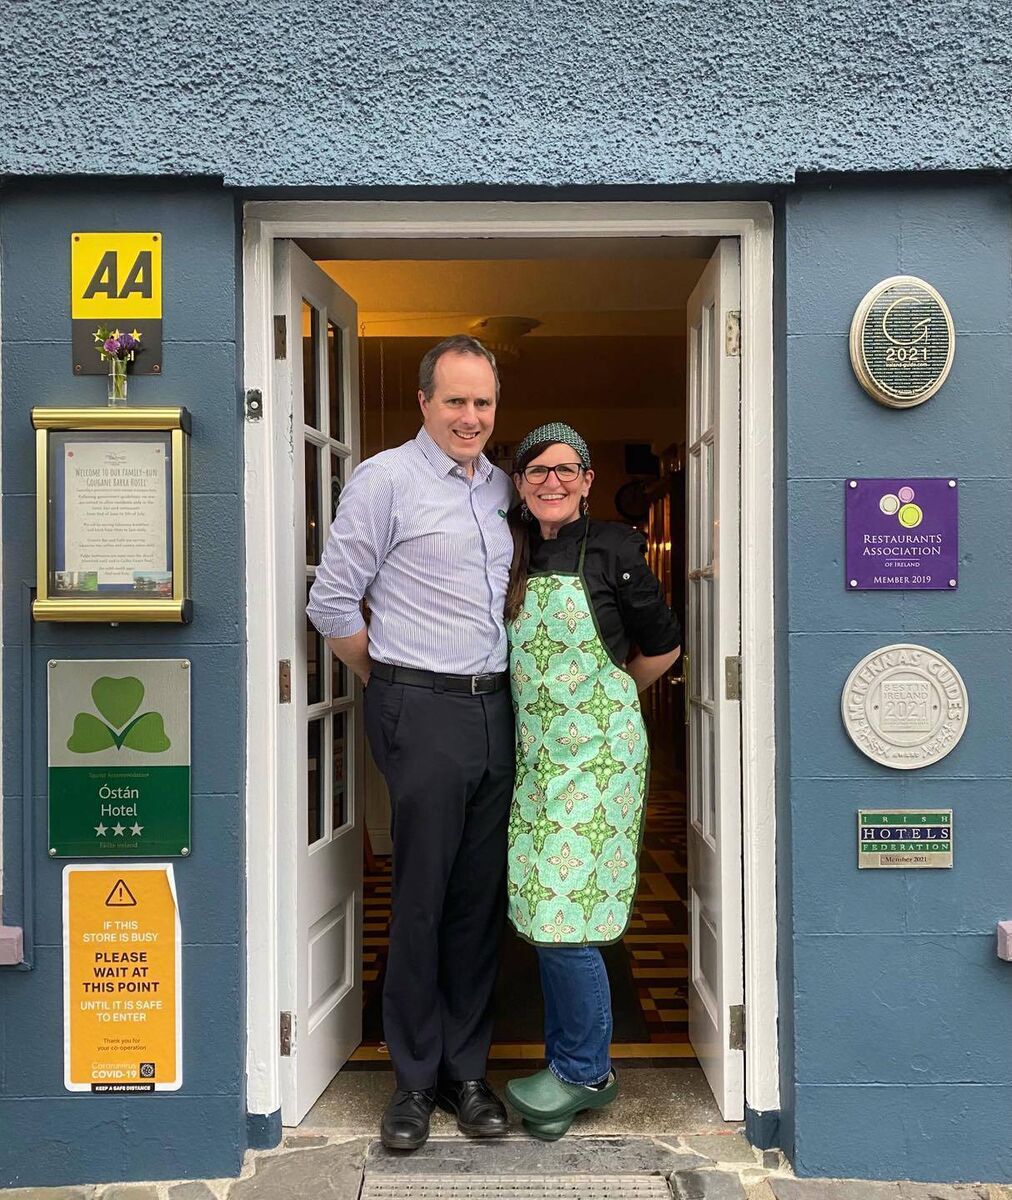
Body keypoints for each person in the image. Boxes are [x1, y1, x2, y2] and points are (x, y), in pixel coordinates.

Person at [307, 335, 515, 1151]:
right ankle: (412, 1081)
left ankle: (467, 1074)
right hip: (419, 704)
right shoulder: (385, 479)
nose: (471, 417)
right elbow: (333, 603)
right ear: (424, 403)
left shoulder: (503, 486)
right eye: (457, 401)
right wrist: (388, 683)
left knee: (476, 903)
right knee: (422, 899)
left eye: (484, 403)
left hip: (497, 711)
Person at [501, 421, 682, 1141]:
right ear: (519, 484)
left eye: (565, 469)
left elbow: (663, 646)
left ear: (587, 477)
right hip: (538, 759)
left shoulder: (615, 547)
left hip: (601, 760)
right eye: (537, 470)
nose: (552, 481)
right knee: (545, 909)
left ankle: (584, 1071)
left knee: (563, 916)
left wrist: (610, 703)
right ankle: (570, 1062)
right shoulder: (509, 549)